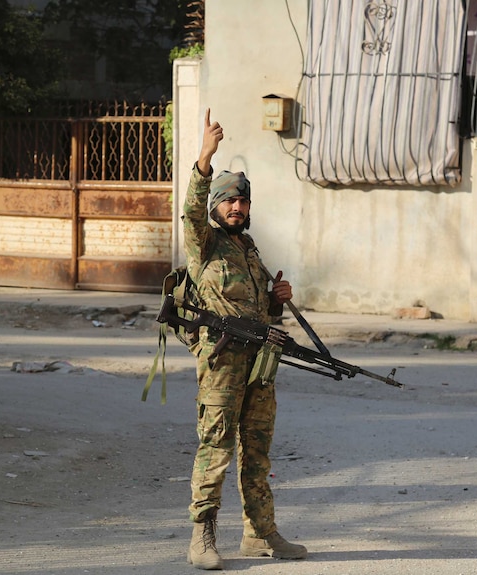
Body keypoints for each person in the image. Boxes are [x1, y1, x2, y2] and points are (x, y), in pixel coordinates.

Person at [183, 109, 308, 570]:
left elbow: (259, 311)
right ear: (216, 206)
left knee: (257, 450)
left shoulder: (249, 249)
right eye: (228, 202)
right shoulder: (205, 243)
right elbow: (189, 210)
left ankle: (260, 533)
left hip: (260, 364)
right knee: (216, 445)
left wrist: (278, 299)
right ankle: (202, 536)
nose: (237, 208)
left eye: (243, 202)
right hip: (222, 363)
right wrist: (204, 159)